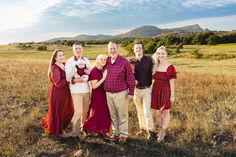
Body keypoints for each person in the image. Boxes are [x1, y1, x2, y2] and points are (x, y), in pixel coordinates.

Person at [104, 41, 135, 143]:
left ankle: (123, 134)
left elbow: (130, 78)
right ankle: (116, 132)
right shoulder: (106, 61)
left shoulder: (124, 62)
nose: (112, 50)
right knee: (113, 115)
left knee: (122, 114)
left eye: (114, 48)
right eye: (110, 49)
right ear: (108, 49)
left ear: (118, 49)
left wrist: (131, 93)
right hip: (108, 93)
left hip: (121, 92)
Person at [41, 49, 74, 138]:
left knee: (65, 109)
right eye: (59, 55)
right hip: (58, 92)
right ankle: (57, 131)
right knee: (58, 110)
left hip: (66, 91)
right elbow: (58, 83)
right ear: (55, 58)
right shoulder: (54, 68)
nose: (62, 57)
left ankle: (62, 126)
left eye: (63, 55)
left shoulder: (64, 64)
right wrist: (68, 78)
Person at [129, 41, 156, 140]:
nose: (138, 50)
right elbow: (128, 74)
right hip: (136, 90)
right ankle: (143, 129)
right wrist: (132, 80)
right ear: (134, 49)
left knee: (147, 111)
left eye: (140, 48)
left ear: (143, 49)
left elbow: (155, 69)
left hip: (146, 90)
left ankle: (152, 132)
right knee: (140, 111)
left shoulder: (149, 60)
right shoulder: (131, 61)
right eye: (136, 48)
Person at [65, 43, 92, 137]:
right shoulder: (70, 61)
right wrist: (80, 80)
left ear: (82, 49)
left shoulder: (87, 60)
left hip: (86, 90)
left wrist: (88, 75)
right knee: (78, 111)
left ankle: (83, 128)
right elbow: (68, 78)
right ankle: (75, 132)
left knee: (85, 110)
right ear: (73, 50)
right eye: (76, 48)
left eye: (79, 48)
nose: (78, 50)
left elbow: (91, 73)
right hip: (75, 91)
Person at [151, 46, 177, 142]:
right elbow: (152, 80)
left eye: (163, 53)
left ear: (166, 55)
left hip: (166, 90)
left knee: (166, 111)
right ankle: (162, 129)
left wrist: (172, 95)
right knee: (157, 113)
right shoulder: (155, 66)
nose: (161, 55)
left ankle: (162, 132)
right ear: (156, 54)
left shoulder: (170, 67)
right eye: (159, 53)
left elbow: (172, 83)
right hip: (156, 90)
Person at [83, 54, 111, 138]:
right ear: (97, 60)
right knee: (96, 112)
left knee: (105, 112)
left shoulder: (103, 69)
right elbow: (94, 86)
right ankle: (87, 127)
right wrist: (103, 78)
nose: (103, 61)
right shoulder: (94, 70)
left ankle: (103, 130)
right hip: (98, 94)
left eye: (104, 60)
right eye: (101, 59)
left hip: (105, 93)